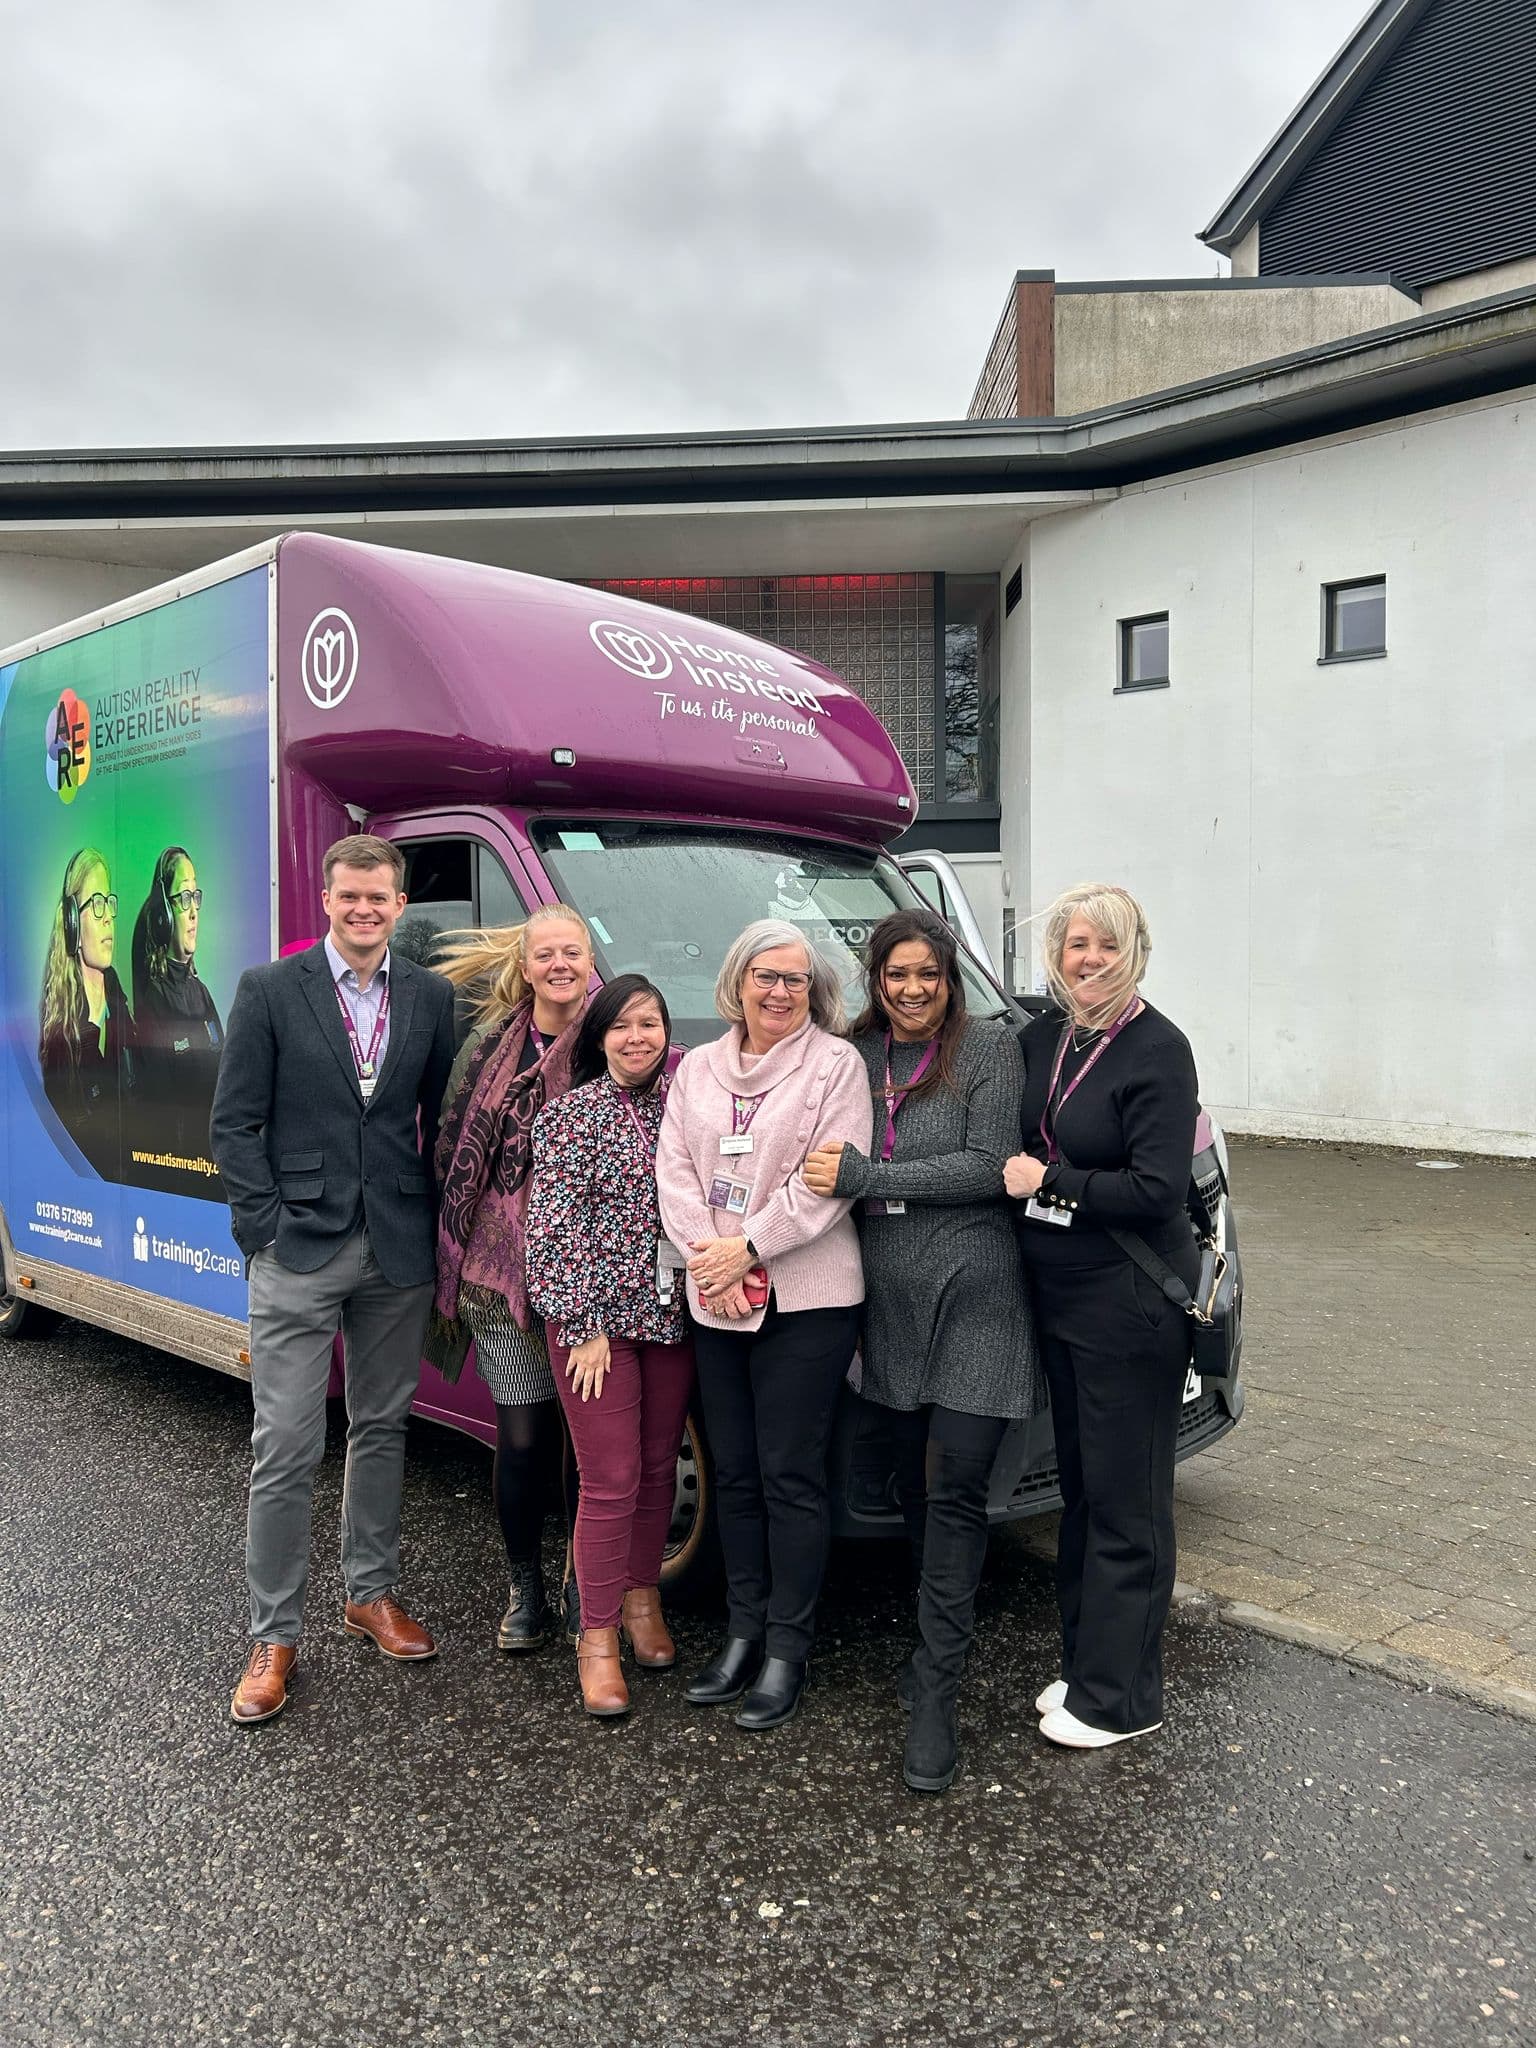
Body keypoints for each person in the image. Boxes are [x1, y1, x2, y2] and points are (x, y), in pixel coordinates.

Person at [211, 833, 457, 1725]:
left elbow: (441, 1118)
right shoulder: (270, 990)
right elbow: (234, 1124)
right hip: (298, 1247)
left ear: (400, 905)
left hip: (396, 1245)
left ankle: (370, 1592)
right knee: (284, 1443)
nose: (363, 910)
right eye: (349, 896)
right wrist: (264, 1230)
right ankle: (273, 1636)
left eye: (378, 898)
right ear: (327, 900)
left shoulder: (429, 996)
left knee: (382, 1425)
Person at [803, 908, 1037, 1794]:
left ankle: (937, 1691)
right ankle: (930, 1644)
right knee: (912, 1487)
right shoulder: (852, 1056)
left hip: (977, 1288)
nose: (911, 989)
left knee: (955, 1484)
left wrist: (870, 1177)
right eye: (896, 974)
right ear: (876, 979)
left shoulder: (986, 1050)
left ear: (949, 979)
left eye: (927, 975)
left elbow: (989, 1165)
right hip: (889, 1300)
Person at [655, 918, 872, 1732]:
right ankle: (743, 1632)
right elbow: (675, 1171)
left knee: (789, 1475)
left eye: (794, 979)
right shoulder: (697, 1068)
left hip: (807, 1299)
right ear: (737, 982)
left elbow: (829, 1180)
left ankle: (788, 1647)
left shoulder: (835, 1065)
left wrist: (748, 1246)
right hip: (716, 1295)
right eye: (765, 977)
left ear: (813, 990)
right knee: (736, 1474)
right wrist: (709, 1257)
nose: (779, 992)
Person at [1003, 882, 1199, 1750]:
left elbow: (1158, 1188)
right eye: (1077, 943)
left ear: (1135, 954)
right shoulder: (1045, 1036)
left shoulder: (1159, 1048)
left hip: (1130, 1301)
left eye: (1107, 945)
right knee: (1083, 1494)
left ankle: (1124, 1700)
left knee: (1128, 1502)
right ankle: (1090, 1668)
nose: (1089, 959)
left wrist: (1051, 1180)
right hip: (1063, 1297)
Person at [525, 975, 694, 1718]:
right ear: (598, 1036)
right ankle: (595, 1637)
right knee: (611, 1477)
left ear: (666, 1032)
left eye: (649, 1023)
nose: (637, 1038)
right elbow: (551, 1229)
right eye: (621, 1025)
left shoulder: (686, 1105)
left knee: (658, 1469)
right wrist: (583, 1324)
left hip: (670, 1314)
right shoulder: (570, 1114)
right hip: (594, 1324)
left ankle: (641, 1601)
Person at [430, 905, 593, 1655]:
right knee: (524, 1438)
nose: (560, 965)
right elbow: (451, 1144)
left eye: (572, 952)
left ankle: (583, 1583)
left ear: (589, 962)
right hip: (497, 1277)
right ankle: (525, 1586)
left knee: (589, 1443)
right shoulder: (489, 1046)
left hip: (590, 1277)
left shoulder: (612, 1036)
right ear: (525, 967)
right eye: (546, 954)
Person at [39, 847, 137, 1179]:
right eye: (96, 904)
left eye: (108, 902)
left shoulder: (115, 989)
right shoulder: (61, 1032)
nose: (108, 916)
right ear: (72, 924)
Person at [131, 845, 225, 1177]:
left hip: (216, 1159)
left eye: (195, 897)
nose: (194, 910)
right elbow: (161, 1114)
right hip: (183, 1169)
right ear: (163, 915)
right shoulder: (153, 1002)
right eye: (184, 898)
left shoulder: (202, 993)